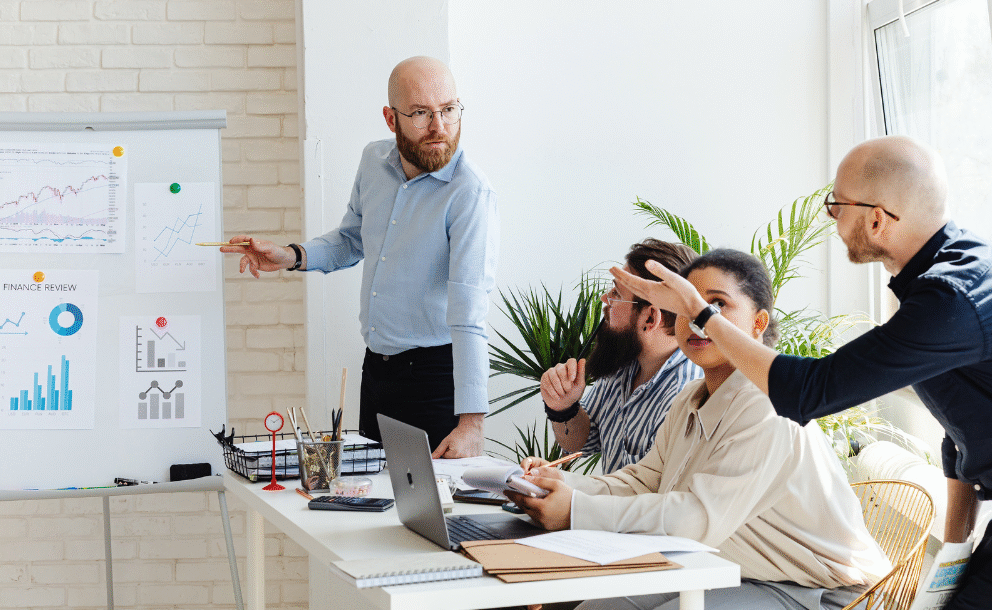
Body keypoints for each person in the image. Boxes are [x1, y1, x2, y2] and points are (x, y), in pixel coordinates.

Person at [612, 136, 992, 609]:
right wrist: (954, 554)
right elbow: (961, 429)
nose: (831, 218)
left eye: (837, 205)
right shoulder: (959, 273)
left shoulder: (952, 296)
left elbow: (808, 392)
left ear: (877, 219)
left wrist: (700, 313)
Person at [511, 249, 891, 610]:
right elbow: (644, 481)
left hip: (822, 591)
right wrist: (558, 484)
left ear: (758, 323)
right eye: (687, 307)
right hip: (727, 568)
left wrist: (575, 509)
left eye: (716, 305)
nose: (697, 319)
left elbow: (695, 520)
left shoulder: (768, 406)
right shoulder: (690, 397)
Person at [222, 56, 498, 459]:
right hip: (377, 372)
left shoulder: (469, 192)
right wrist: (289, 256)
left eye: (449, 110)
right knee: (370, 492)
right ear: (391, 118)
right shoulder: (374, 162)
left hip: (436, 379)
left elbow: (469, 313)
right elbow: (351, 240)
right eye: (421, 113)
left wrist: (472, 424)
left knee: (431, 499)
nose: (439, 127)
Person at [541, 239, 702, 473]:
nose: (605, 299)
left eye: (616, 293)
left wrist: (564, 488)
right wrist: (564, 408)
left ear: (650, 318)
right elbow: (583, 442)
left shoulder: (684, 396)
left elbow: (651, 493)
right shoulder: (625, 361)